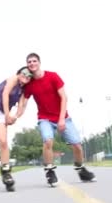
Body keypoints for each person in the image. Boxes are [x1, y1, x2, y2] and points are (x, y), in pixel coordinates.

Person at [16, 52, 96, 186]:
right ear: (27, 65)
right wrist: (16, 115)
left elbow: (64, 97)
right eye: (29, 62)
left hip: (63, 117)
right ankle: (50, 171)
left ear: (39, 63)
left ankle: (80, 168)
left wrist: (61, 120)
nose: (32, 63)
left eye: (34, 61)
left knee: (76, 145)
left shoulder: (52, 76)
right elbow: (23, 101)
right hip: (44, 118)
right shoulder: (30, 84)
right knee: (48, 140)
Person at [0, 66, 33, 191]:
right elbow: (5, 94)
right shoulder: (12, 79)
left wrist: (15, 117)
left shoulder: (23, 90)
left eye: (30, 76)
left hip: (1, 114)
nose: (26, 76)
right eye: (24, 73)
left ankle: (6, 172)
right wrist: (7, 114)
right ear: (19, 73)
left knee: (3, 142)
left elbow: (22, 106)